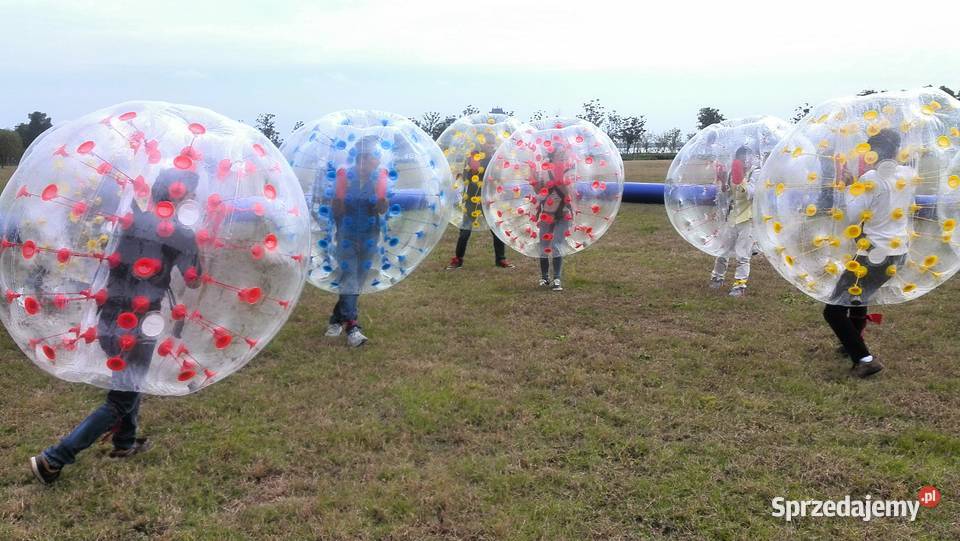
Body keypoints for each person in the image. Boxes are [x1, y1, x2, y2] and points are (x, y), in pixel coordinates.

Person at [31, 168, 202, 483]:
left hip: (107, 313)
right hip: (140, 323)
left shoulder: (127, 219)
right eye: (191, 194)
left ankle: (125, 442)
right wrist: (195, 246)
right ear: (180, 195)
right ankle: (54, 458)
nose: (195, 199)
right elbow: (194, 281)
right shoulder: (182, 233)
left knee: (127, 381)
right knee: (122, 397)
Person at [823, 128, 913, 378]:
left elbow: (853, 215)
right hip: (898, 252)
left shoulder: (871, 178)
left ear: (877, 151)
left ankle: (864, 359)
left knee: (834, 309)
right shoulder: (907, 174)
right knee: (859, 297)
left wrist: (850, 187)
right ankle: (851, 342)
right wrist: (857, 184)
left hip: (875, 253)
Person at [324, 137, 388, 347]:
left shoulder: (378, 178)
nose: (378, 161)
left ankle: (336, 319)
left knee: (356, 282)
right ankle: (353, 327)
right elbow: (335, 211)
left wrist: (381, 198)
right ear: (363, 158)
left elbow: (382, 210)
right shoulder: (345, 176)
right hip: (346, 237)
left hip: (370, 236)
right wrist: (339, 196)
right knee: (350, 277)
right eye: (374, 157)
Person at [446, 135, 514, 269]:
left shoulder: (495, 158)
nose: (489, 145)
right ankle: (458, 259)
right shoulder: (473, 157)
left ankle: (500, 259)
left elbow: (499, 177)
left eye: (491, 143)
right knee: (465, 230)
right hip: (472, 198)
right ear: (481, 144)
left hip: (489, 199)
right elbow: (468, 175)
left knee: (496, 229)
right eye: (487, 142)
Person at [709, 146, 757, 297]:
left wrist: (740, 178)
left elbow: (751, 193)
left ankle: (739, 285)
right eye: (740, 159)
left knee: (743, 253)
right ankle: (717, 277)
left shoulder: (756, 173)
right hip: (733, 217)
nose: (744, 162)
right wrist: (724, 182)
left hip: (748, 219)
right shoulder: (732, 172)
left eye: (746, 159)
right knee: (723, 250)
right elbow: (728, 194)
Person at [531, 146, 576, 291]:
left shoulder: (570, 173)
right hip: (547, 214)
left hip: (563, 215)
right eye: (559, 154)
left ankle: (557, 278)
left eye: (564, 154)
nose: (562, 157)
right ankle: (544, 277)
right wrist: (534, 180)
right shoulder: (544, 171)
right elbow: (539, 192)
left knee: (556, 245)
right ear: (553, 156)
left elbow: (573, 195)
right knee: (544, 247)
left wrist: (562, 182)